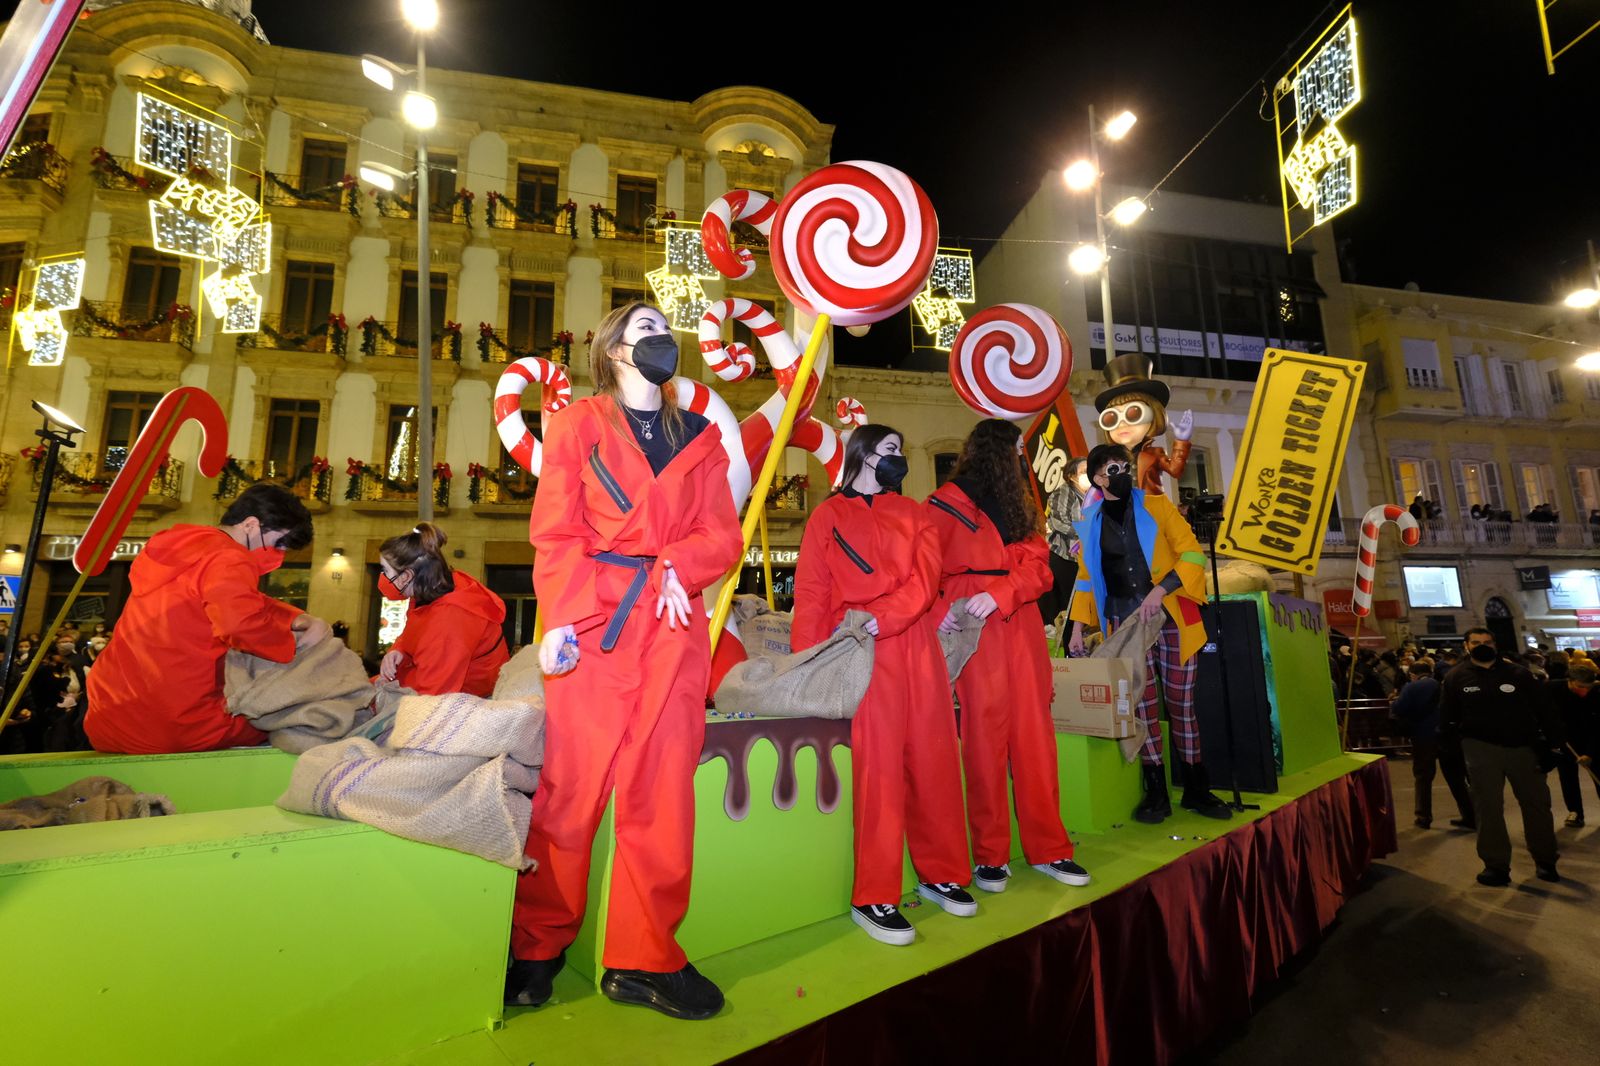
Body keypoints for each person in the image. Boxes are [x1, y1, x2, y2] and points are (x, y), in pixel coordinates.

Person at [506, 303, 742, 1020]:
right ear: (612, 350)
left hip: (672, 625)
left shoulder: (700, 438)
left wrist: (678, 563)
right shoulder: (578, 423)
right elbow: (555, 530)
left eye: (663, 325)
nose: (660, 335)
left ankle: (642, 959)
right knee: (570, 791)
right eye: (643, 327)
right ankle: (535, 946)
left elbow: (722, 536)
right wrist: (561, 620)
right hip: (595, 620)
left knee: (662, 794)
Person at [794, 423, 975, 947]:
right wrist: (809, 661)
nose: (900, 458)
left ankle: (941, 872)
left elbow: (925, 581)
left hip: (913, 646)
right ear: (865, 454)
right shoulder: (827, 515)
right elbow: (812, 590)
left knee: (935, 760)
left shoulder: (916, 514)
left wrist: (885, 616)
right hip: (861, 652)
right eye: (892, 450)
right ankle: (873, 894)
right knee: (879, 774)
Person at [927, 419, 1089, 894]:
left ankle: (1050, 848)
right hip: (976, 635)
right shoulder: (940, 506)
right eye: (1018, 446)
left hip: (1019, 629)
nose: (1024, 454)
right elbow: (922, 573)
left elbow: (1040, 569)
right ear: (999, 450)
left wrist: (1002, 590)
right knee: (983, 744)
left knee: (1036, 741)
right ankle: (990, 856)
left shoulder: (1021, 506)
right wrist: (942, 610)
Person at [85, 484, 331, 754]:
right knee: (298, 722)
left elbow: (220, 596)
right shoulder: (230, 557)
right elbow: (240, 625)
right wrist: (299, 649)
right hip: (174, 725)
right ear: (250, 525)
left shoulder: (181, 544)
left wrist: (294, 617)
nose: (279, 555)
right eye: (278, 543)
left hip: (107, 718)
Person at [1068, 443, 1230, 822]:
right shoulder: (1089, 522)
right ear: (1096, 478)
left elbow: (1191, 553)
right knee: (1142, 706)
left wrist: (1162, 589)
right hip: (1126, 628)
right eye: (1112, 469)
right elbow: (1087, 578)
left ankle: (1196, 789)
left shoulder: (1158, 507)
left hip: (1172, 616)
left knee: (1182, 707)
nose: (1121, 473)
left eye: (1124, 466)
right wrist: (1077, 629)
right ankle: (1156, 791)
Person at [1441, 626, 1561, 885]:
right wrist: (1453, 752)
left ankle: (1545, 861)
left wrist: (1554, 746)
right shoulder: (1455, 677)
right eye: (1476, 642)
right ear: (1466, 646)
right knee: (1487, 809)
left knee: (1537, 805)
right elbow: (1447, 718)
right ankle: (1496, 866)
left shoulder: (1519, 674)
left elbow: (1545, 710)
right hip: (1480, 748)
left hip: (1523, 747)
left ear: (1495, 644)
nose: (1482, 645)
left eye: (1487, 641)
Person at [376, 523, 508, 697]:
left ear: (406, 576)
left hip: (463, 694)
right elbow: (414, 632)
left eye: (385, 571)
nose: (382, 577)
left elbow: (432, 697)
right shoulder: (430, 591)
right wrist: (398, 650)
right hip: (436, 680)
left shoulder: (450, 619)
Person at [1392, 659, 1472, 829]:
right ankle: (1470, 815)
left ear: (1413, 674)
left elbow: (1399, 708)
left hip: (1423, 736)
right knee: (1456, 778)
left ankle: (1424, 816)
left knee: (1423, 777)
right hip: (1447, 736)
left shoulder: (1412, 687)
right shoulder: (1444, 684)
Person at [1547, 661, 1598, 828]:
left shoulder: (1597, 692)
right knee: (1568, 778)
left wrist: (1590, 753)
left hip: (1592, 737)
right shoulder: (1552, 689)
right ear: (1570, 680)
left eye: (1588, 687)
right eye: (1580, 686)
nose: (1585, 690)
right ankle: (1575, 812)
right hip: (1565, 740)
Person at [1040, 456, 1090, 624]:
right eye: (1083, 472)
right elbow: (1060, 523)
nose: (1087, 475)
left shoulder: (1092, 494)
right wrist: (1087, 533)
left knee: (1083, 603)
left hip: (1084, 558)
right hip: (1065, 556)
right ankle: (1069, 644)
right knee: (1070, 605)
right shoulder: (1063, 493)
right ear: (1071, 475)